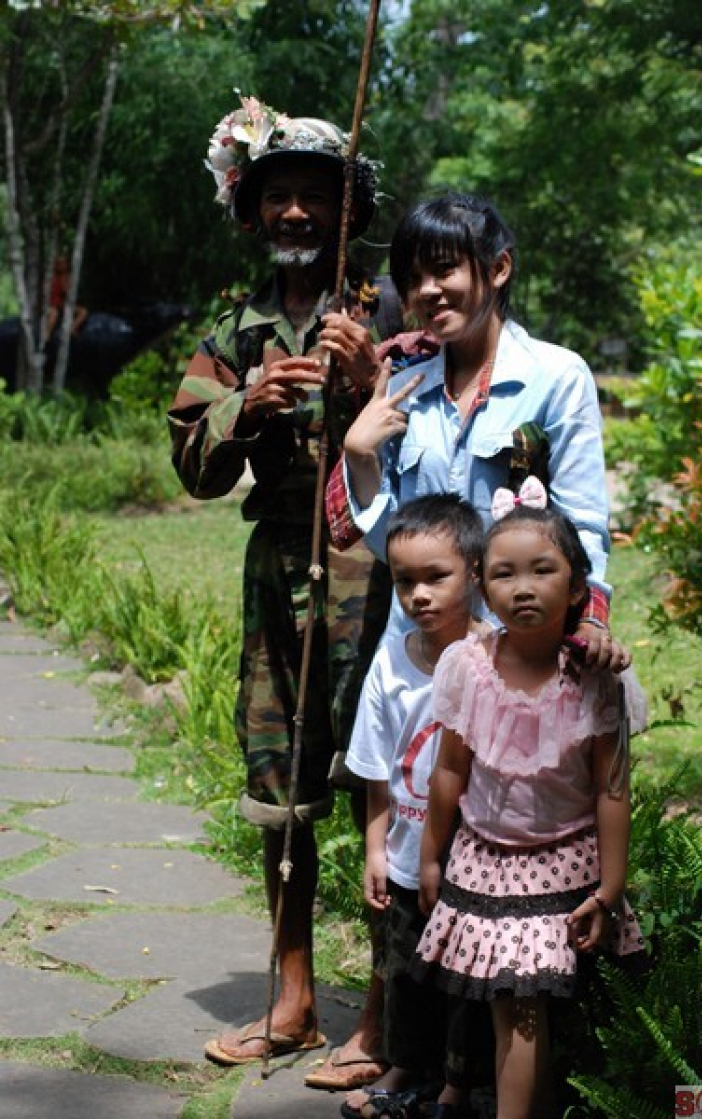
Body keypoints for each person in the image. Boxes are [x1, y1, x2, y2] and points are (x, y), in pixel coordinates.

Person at [168, 92, 393, 1081]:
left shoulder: (392, 303)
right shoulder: (233, 325)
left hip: (384, 576)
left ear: (351, 211)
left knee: (389, 789)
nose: (297, 212)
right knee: (282, 788)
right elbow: (193, 461)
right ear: (252, 213)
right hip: (278, 583)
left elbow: (452, 430)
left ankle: (388, 1015)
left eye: (317, 196)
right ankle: (293, 996)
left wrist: (376, 374)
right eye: (279, 197)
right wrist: (240, 411)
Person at [412, 496, 647, 1119]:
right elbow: (449, 771)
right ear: (483, 590)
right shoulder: (467, 667)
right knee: (518, 1012)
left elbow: (612, 788)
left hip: (564, 871)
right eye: (503, 574)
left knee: (522, 1012)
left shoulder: (598, 679)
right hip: (483, 866)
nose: (523, 588)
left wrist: (611, 888)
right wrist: (430, 858)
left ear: (577, 588)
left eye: (542, 570)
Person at [326, 191, 629, 671]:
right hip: (418, 655)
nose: (427, 290)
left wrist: (590, 619)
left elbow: (582, 519)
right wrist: (361, 456)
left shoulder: (557, 377)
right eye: (413, 279)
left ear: (499, 268)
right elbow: (393, 547)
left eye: (444, 270)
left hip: (519, 650)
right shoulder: (402, 388)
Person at [342, 494, 490, 1119]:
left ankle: (457, 1087)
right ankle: (407, 1065)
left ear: (475, 575)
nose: (419, 595)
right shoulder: (391, 663)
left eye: (437, 577)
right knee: (404, 969)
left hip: (476, 862)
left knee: (465, 978)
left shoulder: (495, 658)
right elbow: (378, 768)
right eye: (405, 581)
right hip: (405, 854)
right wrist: (375, 848)